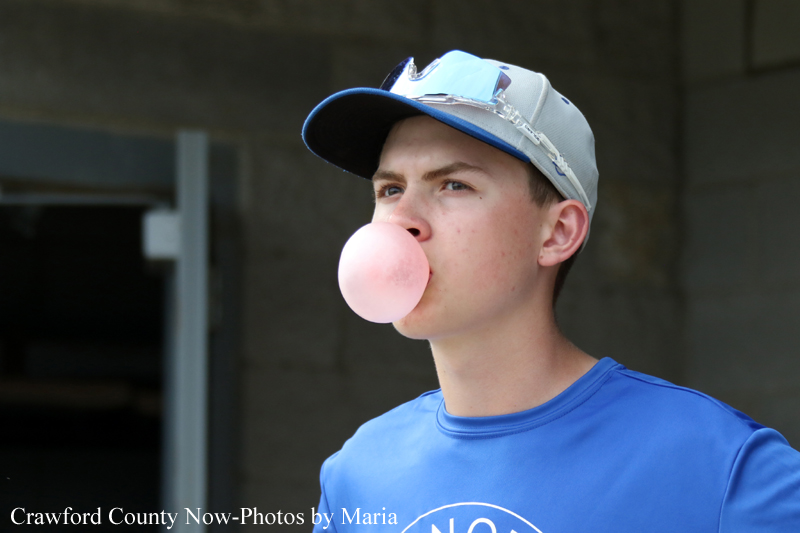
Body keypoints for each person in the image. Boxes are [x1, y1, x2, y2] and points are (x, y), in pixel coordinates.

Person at [301, 50, 800, 532]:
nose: (402, 221)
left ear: (558, 233)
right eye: (390, 190)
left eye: (453, 185)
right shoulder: (357, 475)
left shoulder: (724, 470)